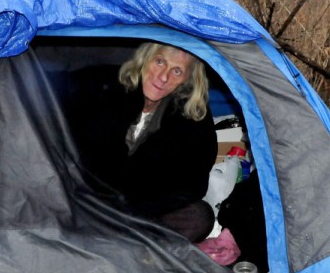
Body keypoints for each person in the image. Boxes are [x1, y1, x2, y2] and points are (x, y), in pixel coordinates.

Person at [65, 42, 217, 242]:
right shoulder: (102, 84)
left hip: (140, 214)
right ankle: (120, 242)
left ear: (187, 79)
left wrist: (137, 208)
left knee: (199, 217)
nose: (163, 77)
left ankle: (120, 242)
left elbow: (192, 185)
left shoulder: (191, 118)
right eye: (160, 62)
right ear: (146, 58)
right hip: (87, 201)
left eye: (177, 71)